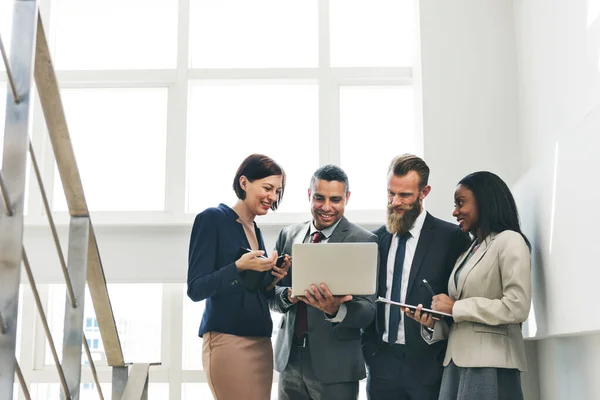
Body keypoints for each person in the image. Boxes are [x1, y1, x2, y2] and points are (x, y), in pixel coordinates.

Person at [407, 171, 532, 400]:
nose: (455, 212)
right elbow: (463, 320)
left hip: (489, 366)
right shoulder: (471, 249)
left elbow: (517, 306)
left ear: (484, 201)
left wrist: (455, 308)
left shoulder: (509, 241)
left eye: (461, 203)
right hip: (457, 364)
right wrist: (433, 323)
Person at [362, 154, 471, 400]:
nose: (395, 202)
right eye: (390, 193)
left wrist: (434, 324)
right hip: (381, 366)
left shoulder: (452, 238)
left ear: (424, 192)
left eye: (404, 195)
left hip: (430, 368)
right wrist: (370, 353)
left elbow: (464, 303)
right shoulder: (374, 240)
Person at [186, 154, 291, 400]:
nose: (273, 197)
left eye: (277, 191)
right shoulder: (212, 219)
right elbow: (196, 288)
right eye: (267, 188)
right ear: (244, 183)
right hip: (228, 341)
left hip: (261, 341)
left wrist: (273, 277)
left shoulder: (255, 230)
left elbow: (254, 291)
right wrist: (237, 267)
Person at [269, 164, 377, 400]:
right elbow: (271, 298)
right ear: (309, 195)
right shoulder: (288, 235)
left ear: (347, 198)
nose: (326, 207)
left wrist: (335, 310)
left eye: (335, 199)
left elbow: (368, 311)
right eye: (319, 198)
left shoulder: (364, 240)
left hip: (335, 366)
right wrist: (288, 295)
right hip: (290, 361)